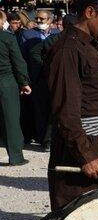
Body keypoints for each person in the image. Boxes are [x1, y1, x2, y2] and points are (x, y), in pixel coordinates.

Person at [46, 0, 98, 211]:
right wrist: (87, 156)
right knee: (81, 217)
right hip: (83, 149)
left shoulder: (91, 46)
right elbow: (66, 110)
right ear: (90, 12)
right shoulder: (67, 50)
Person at [21, 10, 60, 149]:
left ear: (50, 20)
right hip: (37, 77)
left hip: (55, 77)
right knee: (40, 109)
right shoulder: (28, 34)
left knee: (54, 109)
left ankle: (51, 138)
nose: (38, 21)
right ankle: (43, 139)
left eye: (42, 19)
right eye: (37, 19)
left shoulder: (58, 34)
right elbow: (23, 57)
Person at [0, 26, 31, 165]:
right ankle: (16, 157)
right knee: (11, 120)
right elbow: (18, 61)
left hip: (5, 79)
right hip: (5, 81)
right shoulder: (7, 38)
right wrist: (24, 82)